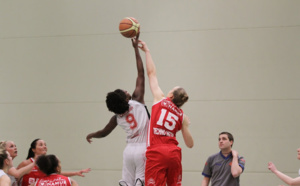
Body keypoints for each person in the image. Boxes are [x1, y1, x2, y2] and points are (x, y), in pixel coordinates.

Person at [86, 33, 150, 186]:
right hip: (144, 149)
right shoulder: (137, 100)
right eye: (124, 91)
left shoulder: (116, 117)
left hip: (128, 151)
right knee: (141, 182)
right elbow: (141, 73)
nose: (126, 90)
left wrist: (92, 134)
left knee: (126, 183)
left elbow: (104, 132)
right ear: (126, 98)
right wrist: (136, 50)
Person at [138, 40, 194, 186]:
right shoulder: (181, 116)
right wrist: (185, 126)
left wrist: (147, 51)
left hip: (157, 152)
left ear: (170, 96)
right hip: (174, 153)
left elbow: (151, 73)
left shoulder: (160, 99)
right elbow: (190, 144)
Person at [17, 138, 90, 186]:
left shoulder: (48, 163)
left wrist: (75, 173)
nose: (44, 146)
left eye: (45, 145)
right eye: (41, 145)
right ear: (33, 149)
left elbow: (55, 174)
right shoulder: (25, 163)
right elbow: (16, 177)